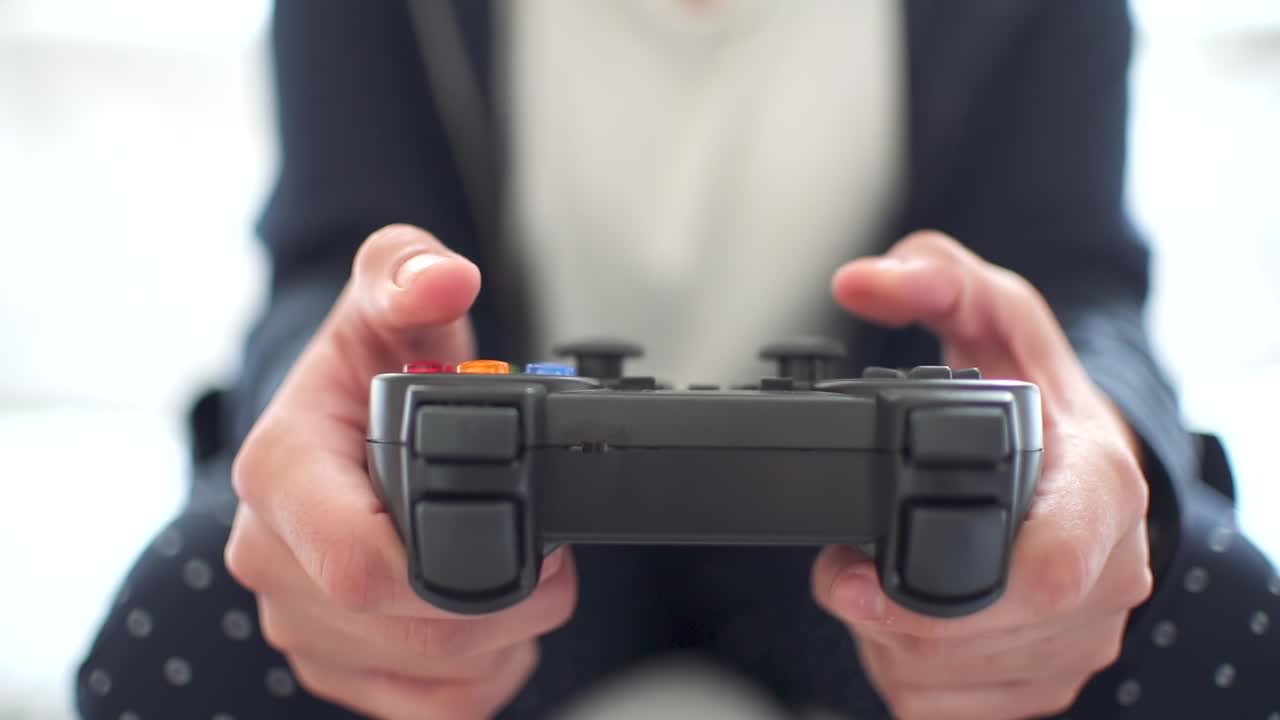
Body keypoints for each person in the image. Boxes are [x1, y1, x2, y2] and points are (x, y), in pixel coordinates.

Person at [78, 1, 1280, 719]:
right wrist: (320, 432)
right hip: (500, 529)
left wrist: (1096, 446)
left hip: (890, 531)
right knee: (191, 618)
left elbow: (1068, 278)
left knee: (1204, 612)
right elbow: (333, 266)